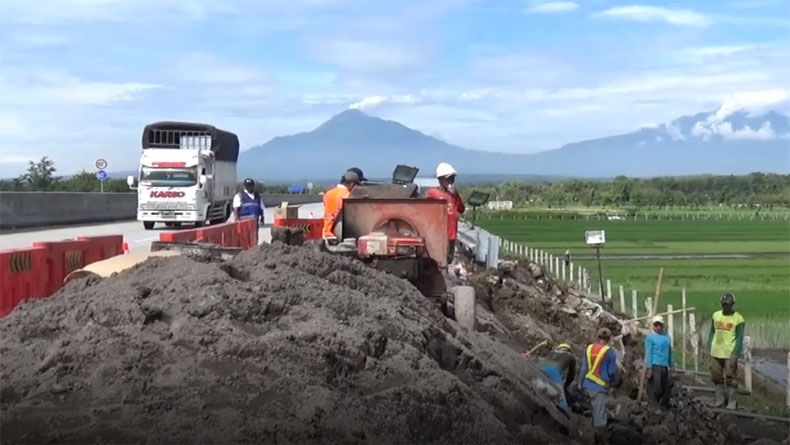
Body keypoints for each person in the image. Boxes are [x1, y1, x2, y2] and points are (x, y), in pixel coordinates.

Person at [578, 327, 619, 438]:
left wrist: (579, 383)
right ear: (609, 339)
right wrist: (612, 382)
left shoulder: (589, 348)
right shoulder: (610, 352)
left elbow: (583, 368)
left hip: (586, 385)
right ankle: (599, 438)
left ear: (598, 337)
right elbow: (611, 372)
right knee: (600, 418)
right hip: (599, 388)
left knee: (591, 411)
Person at [708, 292, 745, 409]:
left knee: (730, 377)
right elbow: (712, 332)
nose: (726, 306)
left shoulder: (738, 319)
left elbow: (739, 338)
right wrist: (709, 347)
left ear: (732, 304)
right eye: (724, 304)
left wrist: (735, 354)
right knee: (716, 377)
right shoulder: (716, 316)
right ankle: (719, 400)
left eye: (728, 304)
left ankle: (732, 403)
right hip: (716, 351)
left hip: (729, 353)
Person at [426, 162, 465, 263]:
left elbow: (461, 209)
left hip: (451, 233)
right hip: (439, 233)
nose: (451, 181)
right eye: (448, 178)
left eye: (452, 178)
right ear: (441, 180)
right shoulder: (433, 194)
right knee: (439, 258)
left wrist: (457, 195)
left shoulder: (454, 195)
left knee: (449, 258)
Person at [536, 343, 577, 414]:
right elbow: (571, 376)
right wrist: (565, 387)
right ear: (568, 350)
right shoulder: (571, 356)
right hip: (554, 371)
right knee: (561, 400)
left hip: (539, 368)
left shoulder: (551, 352)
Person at [322, 170, 361, 242]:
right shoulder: (348, 195)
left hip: (327, 233)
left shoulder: (328, 194)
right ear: (352, 184)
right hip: (340, 234)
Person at [645, 315, 673, 409]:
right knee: (657, 387)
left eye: (660, 325)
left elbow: (669, 352)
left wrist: (671, 365)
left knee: (667, 386)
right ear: (653, 325)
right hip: (655, 365)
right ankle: (654, 404)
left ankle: (663, 405)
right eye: (656, 325)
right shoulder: (650, 338)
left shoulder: (666, 337)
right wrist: (649, 367)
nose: (658, 327)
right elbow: (648, 352)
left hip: (664, 365)